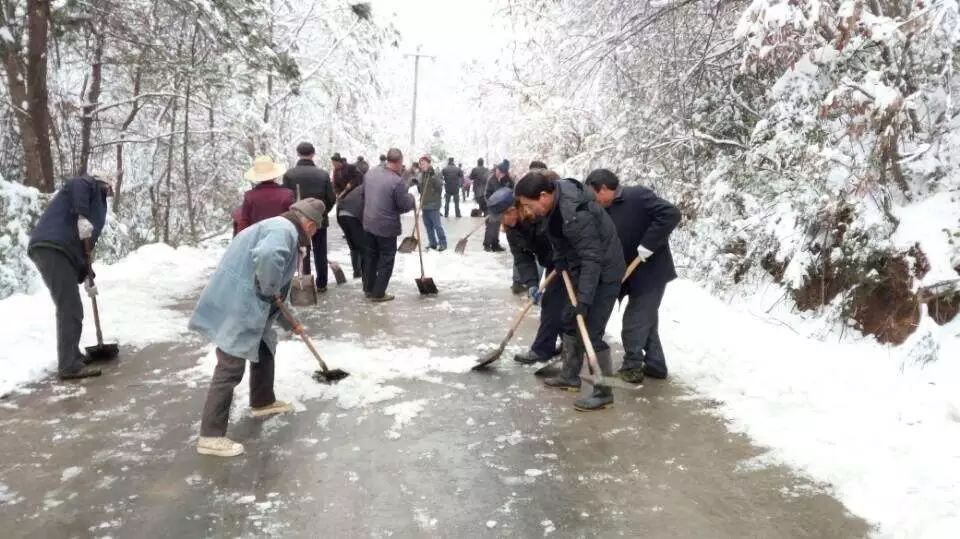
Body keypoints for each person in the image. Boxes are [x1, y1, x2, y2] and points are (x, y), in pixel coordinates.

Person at [190, 199, 327, 457]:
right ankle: (210, 436)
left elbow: (278, 288)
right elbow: (268, 258)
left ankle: (262, 400)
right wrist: (267, 288)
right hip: (240, 302)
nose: (312, 236)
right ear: (309, 225)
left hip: (253, 302)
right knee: (230, 364)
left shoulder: (281, 227)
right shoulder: (283, 231)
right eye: (314, 231)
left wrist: (291, 321)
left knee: (265, 345)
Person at [515, 171, 625, 411]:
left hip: (604, 271)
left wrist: (584, 300)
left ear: (543, 196)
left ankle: (604, 391)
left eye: (528, 204)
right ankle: (570, 376)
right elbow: (559, 237)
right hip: (581, 265)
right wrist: (561, 259)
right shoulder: (553, 206)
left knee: (591, 330)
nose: (529, 211)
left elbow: (592, 256)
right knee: (569, 319)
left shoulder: (574, 210)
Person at [586, 169, 681, 383]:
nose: (594, 200)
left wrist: (648, 244)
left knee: (634, 321)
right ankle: (656, 365)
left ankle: (632, 367)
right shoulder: (603, 209)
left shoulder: (637, 196)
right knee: (646, 321)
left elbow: (671, 214)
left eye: (594, 194)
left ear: (604, 189)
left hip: (650, 273)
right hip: (627, 272)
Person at [28, 171, 115, 380]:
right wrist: (83, 214)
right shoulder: (87, 184)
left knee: (71, 305)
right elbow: (78, 185)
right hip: (53, 246)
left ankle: (73, 356)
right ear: (104, 184)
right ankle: (68, 365)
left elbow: (84, 245)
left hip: (61, 250)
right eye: (109, 189)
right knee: (69, 306)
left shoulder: (94, 201)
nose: (109, 194)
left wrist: (87, 273)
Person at [488, 187, 563, 365]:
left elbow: (560, 236)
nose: (501, 222)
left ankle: (544, 350)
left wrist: (562, 257)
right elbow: (523, 259)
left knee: (555, 304)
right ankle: (560, 345)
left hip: (568, 258)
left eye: (502, 216)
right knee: (554, 304)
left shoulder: (539, 216)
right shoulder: (512, 230)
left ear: (513, 210)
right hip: (554, 263)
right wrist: (531, 284)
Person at [362, 148, 416, 302]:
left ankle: (368, 288)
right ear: (399, 162)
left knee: (371, 257)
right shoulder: (396, 181)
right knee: (386, 259)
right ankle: (378, 293)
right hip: (386, 226)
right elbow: (404, 205)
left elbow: (364, 195)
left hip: (369, 222)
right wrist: (411, 198)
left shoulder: (370, 173)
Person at [282, 142, 336, 291]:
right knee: (320, 251)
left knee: (302, 250)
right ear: (313, 154)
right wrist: (321, 212)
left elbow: (286, 198)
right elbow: (331, 198)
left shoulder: (289, 175)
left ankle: (305, 281)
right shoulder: (323, 174)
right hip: (319, 218)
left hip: (297, 219)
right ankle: (322, 283)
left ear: (298, 153)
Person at [237, 156, 295, 232]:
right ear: (275, 175)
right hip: (282, 237)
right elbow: (293, 219)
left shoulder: (250, 196)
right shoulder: (287, 194)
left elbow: (244, 222)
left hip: (257, 239)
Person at [337, 164, 366, 279]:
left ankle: (357, 272)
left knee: (354, 246)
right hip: (352, 215)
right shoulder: (369, 188)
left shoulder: (358, 188)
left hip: (341, 214)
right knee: (363, 246)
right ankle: (365, 274)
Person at [483, 160, 514, 252]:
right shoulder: (491, 179)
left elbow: (512, 191)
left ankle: (495, 244)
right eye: (499, 172)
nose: (500, 174)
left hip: (503, 206)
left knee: (497, 225)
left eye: (502, 173)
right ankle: (487, 244)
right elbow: (487, 193)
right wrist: (490, 203)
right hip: (492, 205)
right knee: (491, 225)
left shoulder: (508, 180)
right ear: (496, 169)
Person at [417, 155, 447, 251]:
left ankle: (443, 243)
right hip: (424, 204)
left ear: (429, 163)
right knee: (428, 226)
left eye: (424, 163)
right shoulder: (421, 175)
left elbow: (439, 187)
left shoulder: (436, 173)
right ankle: (433, 243)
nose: (422, 165)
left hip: (433, 205)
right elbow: (420, 190)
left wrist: (433, 177)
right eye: (421, 164)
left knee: (437, 226)